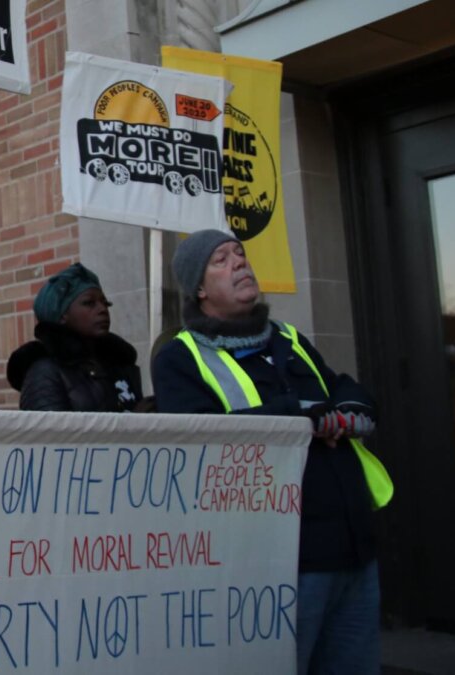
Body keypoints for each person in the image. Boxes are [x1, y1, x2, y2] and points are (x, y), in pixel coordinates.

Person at [151, 229, 389, 675]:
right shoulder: (178, 358)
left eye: (240, 253)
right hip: (276, 565)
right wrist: (304, 416)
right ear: (199, 289)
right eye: (220, 260)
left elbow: (342, 389)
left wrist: (349, 408)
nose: (240, 262)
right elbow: (202, 441)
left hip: (354, 552)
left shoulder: (289, 339)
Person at [7, 263, 144, 412]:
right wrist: (132, 424)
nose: (102, 309)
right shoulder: (44, 373)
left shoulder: (118, 364)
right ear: (63, 315)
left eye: (105, 303)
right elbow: (52, 434)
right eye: (89, 303)